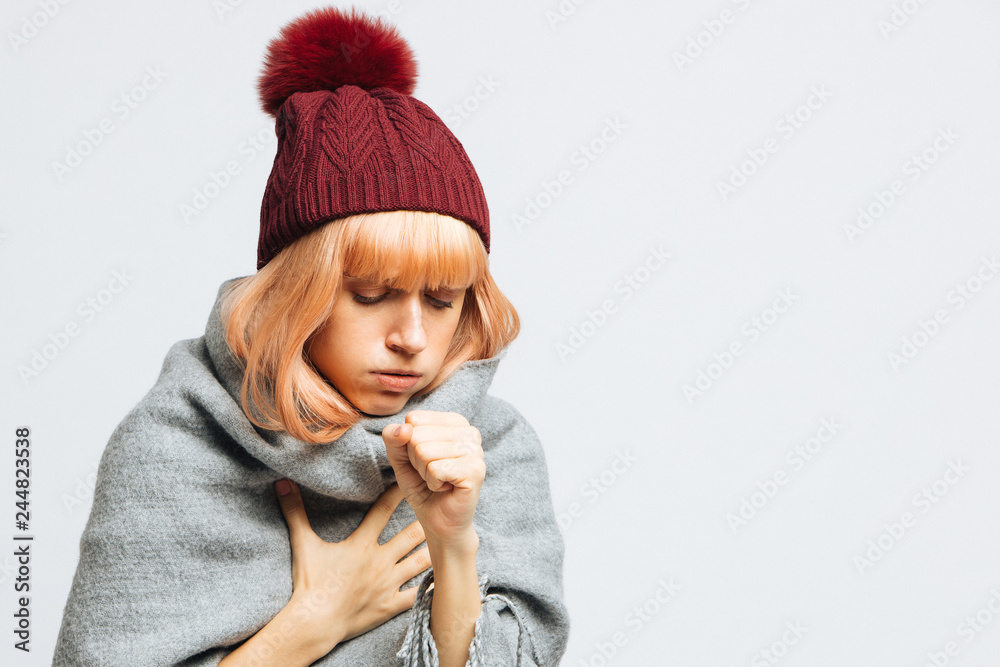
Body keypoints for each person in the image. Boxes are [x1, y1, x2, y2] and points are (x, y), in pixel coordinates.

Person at [52, 5, 570, 666]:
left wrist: (454, 544)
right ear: (296, 295)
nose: (412, 336)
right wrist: (313, 621)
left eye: (441, 301)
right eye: (371, 295)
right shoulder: (171, 445)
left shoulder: (491, 449)